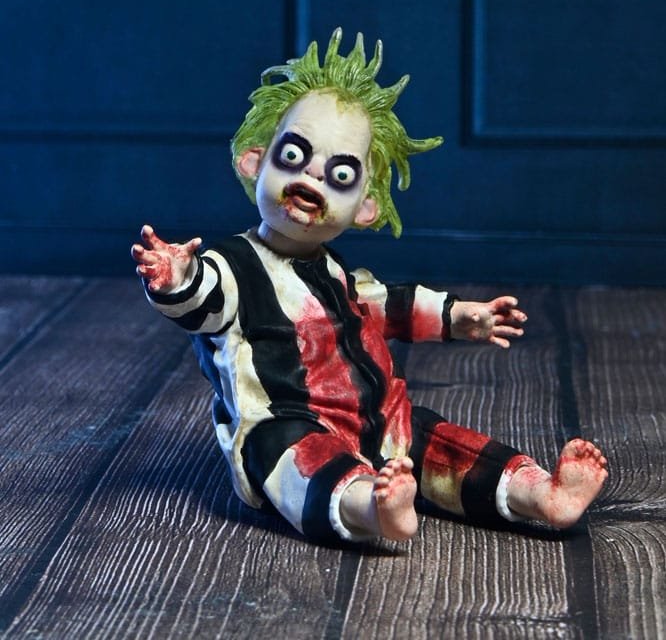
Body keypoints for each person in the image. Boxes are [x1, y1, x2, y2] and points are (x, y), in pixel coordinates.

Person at [131, 29, 607, 543]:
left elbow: (388, 305)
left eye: (339, 175)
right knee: (298, 462)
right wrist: (176, 278)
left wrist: (457, 316)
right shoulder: (234, 266)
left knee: (442, 444)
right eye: (292, 157)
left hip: (381, 418)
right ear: (255, 161)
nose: (311, 180)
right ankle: (369, 506)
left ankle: (540, 493)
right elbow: (203, 300)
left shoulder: (336, 273)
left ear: (364, 208)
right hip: (289, 425)